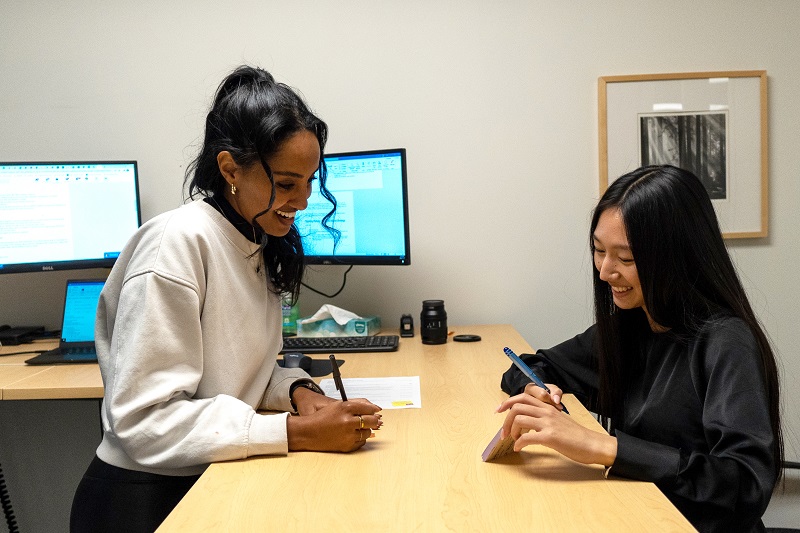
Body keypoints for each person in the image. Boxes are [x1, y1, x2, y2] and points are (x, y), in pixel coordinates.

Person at [70, 65, 382, 532]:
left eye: (309, 181)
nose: (302, 202)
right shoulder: (177, 245)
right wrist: (293, 432)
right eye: (287, 182)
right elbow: (143, 420)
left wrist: (294, 392)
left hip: (210, 478)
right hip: (144, 500)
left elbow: (229, 373)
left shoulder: (252, 239)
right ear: (230, 169)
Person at [497, 165, 782, 533]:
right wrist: (536, 389)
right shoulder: (632, 325)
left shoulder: (725, 341)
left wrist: (606, 447)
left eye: (626, 259)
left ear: (678, 256)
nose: (604, 271)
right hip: (637, 514)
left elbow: (745, 486)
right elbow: (529, 365)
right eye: (599, 251)